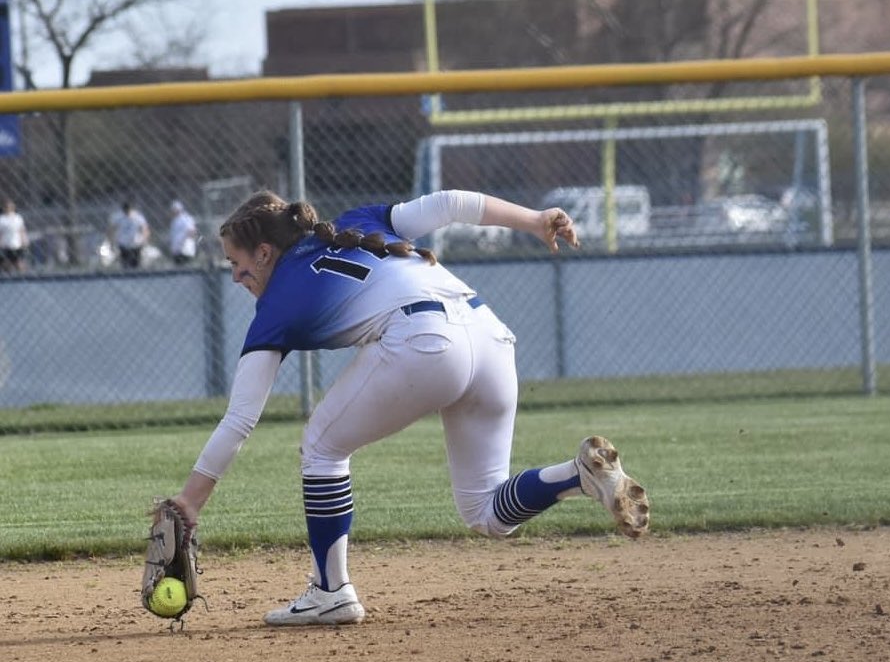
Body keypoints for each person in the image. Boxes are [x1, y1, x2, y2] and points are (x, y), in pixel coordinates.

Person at [168, 188, 650, 627]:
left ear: (266, 252)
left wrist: (190, 500)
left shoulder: (274, 306)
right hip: (489, 335)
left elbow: (240, 419)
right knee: (486, 512)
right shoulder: (360, 220)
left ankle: (331, 591)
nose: (234, 276)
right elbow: (451, 204)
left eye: (237, 263)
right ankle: (579, 477)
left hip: (424, 342)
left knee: (321, 446)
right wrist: (534, 218)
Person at [108, 200, 150, 269]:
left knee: (135, 264)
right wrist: (111, 242)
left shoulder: (137, 217)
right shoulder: (118, 217)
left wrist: (144, 240)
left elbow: (145, 229)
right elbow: (111, 229)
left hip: (135, 243)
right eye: (125, 210)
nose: (127, 212)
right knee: (125, 263)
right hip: (123, 243)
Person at [0, 198, 29, 273]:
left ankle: (23, 276)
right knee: (6, 264)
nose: (9, 208)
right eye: (7, 206)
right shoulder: (2, 219)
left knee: (19, 263)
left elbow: (22, 230)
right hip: (6, 245)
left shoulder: (18, 218)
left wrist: (24, 240)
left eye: (10, 206)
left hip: (17, 244)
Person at [168, 200, 198, 265]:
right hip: (176, 250)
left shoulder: (186, 218)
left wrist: (183, 242)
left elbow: (191, 231)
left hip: (184, 250)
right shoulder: (174, 221)